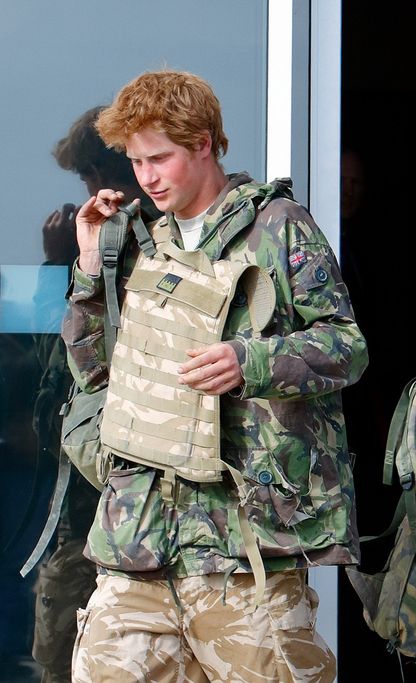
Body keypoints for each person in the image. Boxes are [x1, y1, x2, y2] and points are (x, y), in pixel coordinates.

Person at [63, 70, 367, 682]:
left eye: (160, 158)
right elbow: (95, 371)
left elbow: (347, 346)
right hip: (141, 541)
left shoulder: (278, 227)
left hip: (242, 545)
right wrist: (92, 266)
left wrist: (249, 362)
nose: (145, 177)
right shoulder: (140, 240)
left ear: (203, 143)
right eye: (135, 160)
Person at [28, 105, 162, 683]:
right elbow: (55, 362)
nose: (91, 191)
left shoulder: (162, 242)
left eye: (92, 175)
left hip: (141, 480)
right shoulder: (96, 245)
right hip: (82, 477)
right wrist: (65, 264)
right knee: (59, 640)